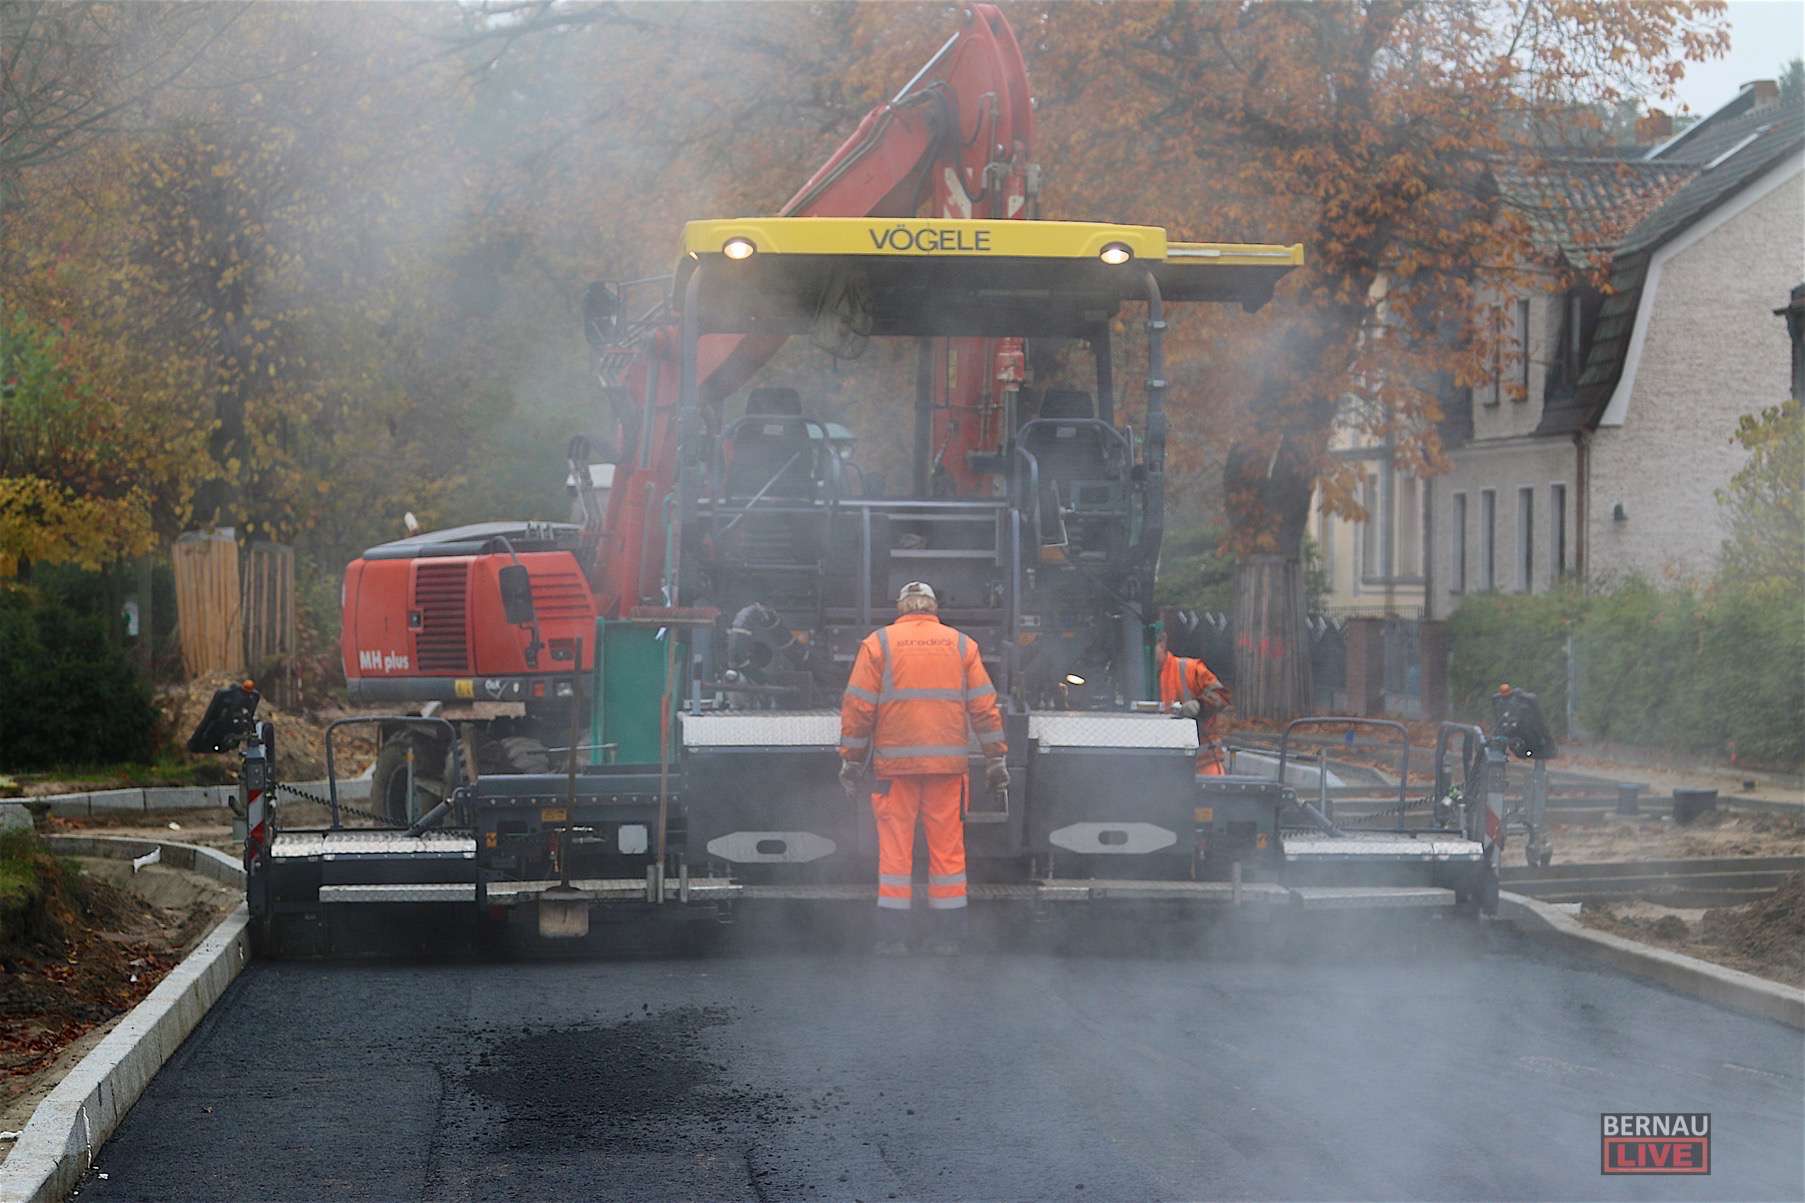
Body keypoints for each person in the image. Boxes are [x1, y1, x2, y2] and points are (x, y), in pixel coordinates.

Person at [839, 581, 1007, 955]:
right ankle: (947, 937)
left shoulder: (878, 644)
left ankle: (893, 938)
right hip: (947, 768)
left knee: (895, 852)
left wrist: (851, 760)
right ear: (933, 608)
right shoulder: (962, 645)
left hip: (893, 769)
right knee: (947, 852)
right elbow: (984, 706)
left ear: (902, 608)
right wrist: (995, 756)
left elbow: (858, 708)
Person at [1155, 628, 1230, 778]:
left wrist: (1200, 705)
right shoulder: (1128, 680)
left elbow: (1221, 695)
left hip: (1203, 764)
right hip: (1161, 769)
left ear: (1162, 642)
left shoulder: (1188, 669)